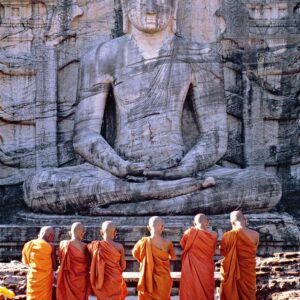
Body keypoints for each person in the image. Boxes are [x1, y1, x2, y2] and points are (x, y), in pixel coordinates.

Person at [132, 216, 176, 300]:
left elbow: (134, 254)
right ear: (162, 227)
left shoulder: (142, 242)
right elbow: (173, 257)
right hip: (163, 279)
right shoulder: (168, 243)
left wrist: (145, 260)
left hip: (147, 279)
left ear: (148, 227)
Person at [220, 211, 259, 300]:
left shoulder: (227, 235)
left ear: (232, 222)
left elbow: (223, 252)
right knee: (248, 295)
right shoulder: (256, 235)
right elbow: (254, 251)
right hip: (248, 270)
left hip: (232, 271)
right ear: (245, 220)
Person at [180, 213, 217, 300]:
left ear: (194, 223)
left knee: (190, 290)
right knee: (207, 290)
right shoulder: (214, 235)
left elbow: (184, 245)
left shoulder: (189, 232)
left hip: (190, 268)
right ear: (207, 223)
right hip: (206, 268)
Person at [87, 221, 128, 300]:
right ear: (115, 233)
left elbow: (89, 263)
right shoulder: (119, 247)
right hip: (115, 280)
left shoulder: (94, 246)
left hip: (101, 281)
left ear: (101, 232)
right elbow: (123, 266)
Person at [56, 222, 90, 300]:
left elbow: (61, 260)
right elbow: (89, 264)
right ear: (83, 233)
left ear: (70, 233)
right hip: (81, 279)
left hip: (67, 278)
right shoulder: (86, 247)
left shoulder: (63, 244)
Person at [22, 226, 57, 300]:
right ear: (50, 236)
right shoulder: (51, 246)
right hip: (44, 280)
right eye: (53, 237)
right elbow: (55, 267)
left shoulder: (29, 244)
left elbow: (26, 262)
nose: (53, 239)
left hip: (33, 278)